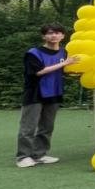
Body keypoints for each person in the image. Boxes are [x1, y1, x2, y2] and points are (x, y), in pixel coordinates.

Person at [17, 23, 79, 168]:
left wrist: (79, 72)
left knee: (47, 127)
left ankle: (39, 154)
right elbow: (38, 72)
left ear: (63, 36)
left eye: (57, 33)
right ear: (43, 36)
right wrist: (65, 63)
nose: (53, 36)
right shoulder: (33, 53)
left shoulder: (64, 52)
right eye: (50, 33)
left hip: (54, 93)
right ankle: (23, 157)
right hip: (35, 93)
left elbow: (64, 70)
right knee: (28, 127)